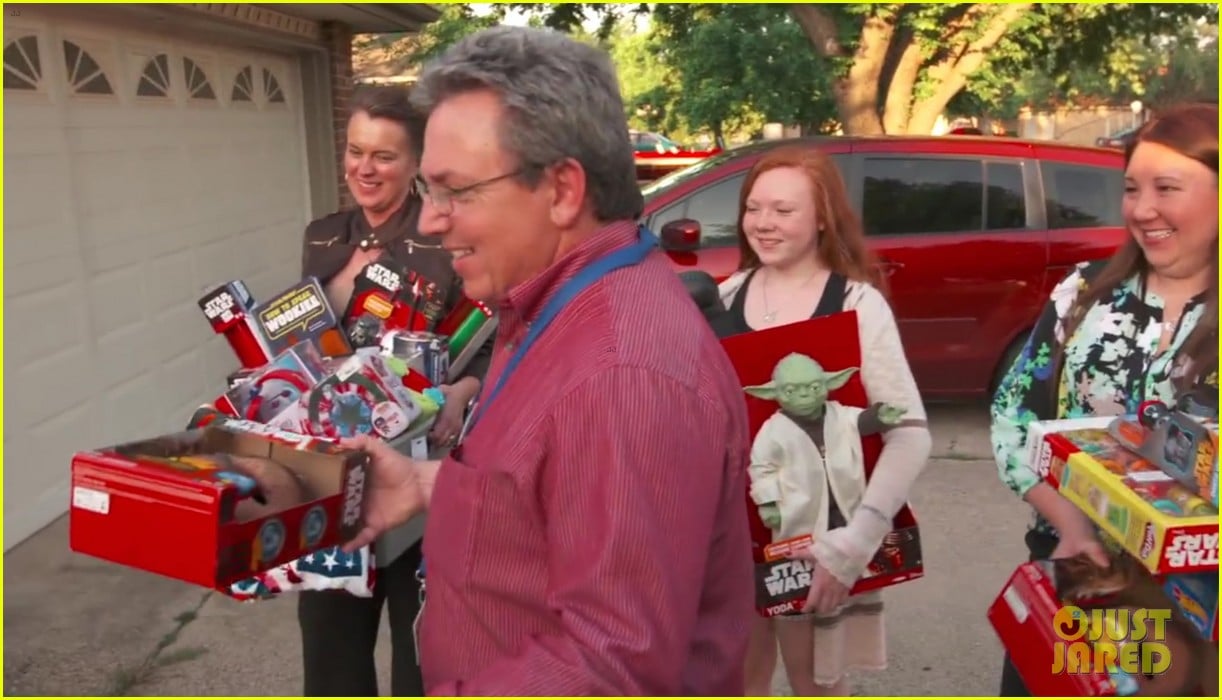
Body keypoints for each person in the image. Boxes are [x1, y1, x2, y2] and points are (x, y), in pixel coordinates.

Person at [340, 26, 755, 695]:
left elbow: (610, 667)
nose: (428, 221)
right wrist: (427, 487)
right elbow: (546, 495)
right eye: (427, 189)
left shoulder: (622, 376)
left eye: (455, 191)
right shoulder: (543, 303)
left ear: (563, 189)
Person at [990, 102, 1218, 696]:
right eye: (1131, 189)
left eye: (1167, 188)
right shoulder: (1084, 295)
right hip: (1076, 581)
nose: (1143, 210)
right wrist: (1072, 527)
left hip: (1193, 616)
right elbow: (1013, 420)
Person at [713, 144, 932, 696]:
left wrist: (856, 543)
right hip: (735, 540)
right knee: (735, 681)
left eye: (783, 211)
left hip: (822, 542)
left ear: (821, 219)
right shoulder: (725, 297)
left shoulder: (857, 306)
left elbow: (908, 434)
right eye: (754, 208)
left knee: (816, 686)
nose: (763, 224)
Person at [296, 85, 491, 697]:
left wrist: (460, 394)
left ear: (413, 165)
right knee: (330, 647)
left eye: (383, 155)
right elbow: (302, 342)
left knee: (422, 651)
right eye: (356, 151)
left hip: (421, 472)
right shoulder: (324, 236)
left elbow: (491, 338)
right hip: (335, 470)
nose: (364, 168)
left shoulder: (446, 237)